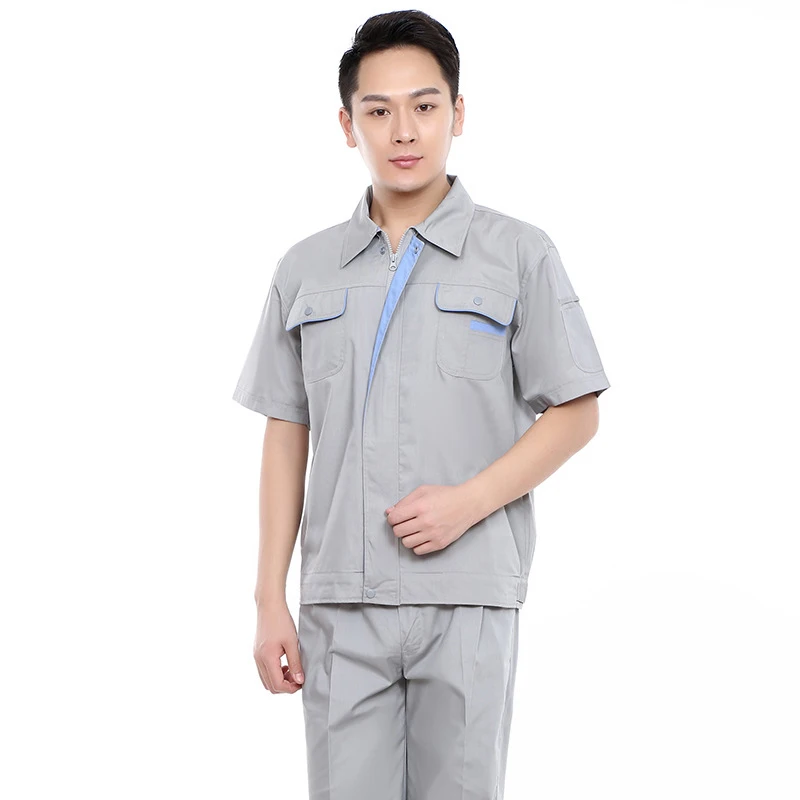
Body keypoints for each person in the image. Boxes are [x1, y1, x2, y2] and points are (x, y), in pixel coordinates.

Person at [232, 10, 611, 799]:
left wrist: (471, 501)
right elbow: (286, 430)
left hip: (467, 594)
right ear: (348, 124)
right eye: (378, 110)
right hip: (341, 601)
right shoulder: (305, 270)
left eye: (425, 105)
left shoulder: (519, 253)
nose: (403, 130)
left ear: (457, 113)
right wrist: (270, 598)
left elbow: (577, 410)